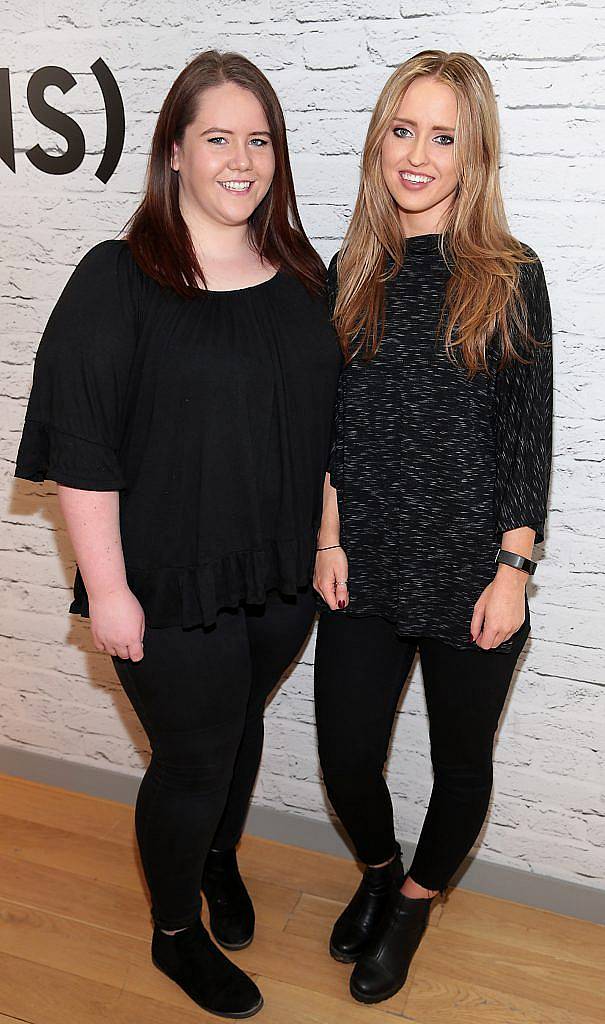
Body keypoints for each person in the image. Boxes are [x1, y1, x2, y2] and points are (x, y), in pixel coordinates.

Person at [14, 50, 341, 1019]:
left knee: (238, 732)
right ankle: (173, 931)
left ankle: (218, 859)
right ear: (173, 153)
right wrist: (108, 589)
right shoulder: (116, 278)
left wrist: (325, 542)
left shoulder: (296, 271)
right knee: (193, 756)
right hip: (166, 580)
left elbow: (326, 428)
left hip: (278, 574)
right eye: (217, 139)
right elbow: (82, 449)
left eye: (258, 139)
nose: (241, 159)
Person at [313, 50, 553, 1005]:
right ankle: (376, 868)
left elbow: (529, 438)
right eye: (402, 130)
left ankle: (412, 902)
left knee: (460, 766)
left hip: (471, 573)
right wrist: (328, 540)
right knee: (343, 756)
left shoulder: (508, 274)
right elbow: (333, 430)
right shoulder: (351, 271)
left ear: (473, 152)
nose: (417, 154)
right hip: (363, 565)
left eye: (442, 136)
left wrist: (513, 569)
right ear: (380, 141)